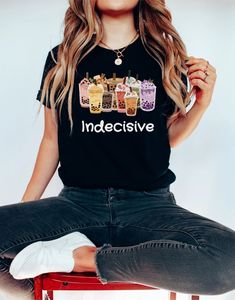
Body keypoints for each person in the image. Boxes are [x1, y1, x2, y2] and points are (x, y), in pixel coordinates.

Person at [1, 0, 235, 299]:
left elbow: (166, 138)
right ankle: (49, 271)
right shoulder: (62, 58)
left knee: (229, 258)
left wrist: (202, 104)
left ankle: (81, 257)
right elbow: (51, 140)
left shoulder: (167, 57)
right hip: (76, 205)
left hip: (150, 206)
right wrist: (26, 213)